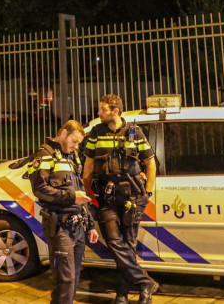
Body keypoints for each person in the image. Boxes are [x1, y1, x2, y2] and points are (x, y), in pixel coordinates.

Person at [82, 95, 159, 304]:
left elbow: (150, 163)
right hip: (107, 198)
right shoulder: (97, 133)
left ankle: (123, 294)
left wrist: (148, 192)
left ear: (115, 111)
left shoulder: (134, 133)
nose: (99, 113)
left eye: (102, 109)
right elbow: (88, 166)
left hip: (132, 197)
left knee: (129, 244)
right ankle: (145, 283)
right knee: (115, 242)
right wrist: (87, 192)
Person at [27, 120, 100, 304]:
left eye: (78, 143)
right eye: (74, 141)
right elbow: (39, 189)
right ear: (64, 132)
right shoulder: (44, 154)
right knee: (65, 281)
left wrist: (90, 225)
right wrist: (72, 197)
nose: (76, 146)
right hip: (60, 226)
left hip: (78, 226)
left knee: (73, 279)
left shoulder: (71, 155)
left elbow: (79, 189)